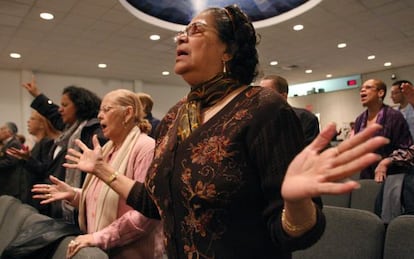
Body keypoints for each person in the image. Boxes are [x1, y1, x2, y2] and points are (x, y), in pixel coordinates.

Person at [61, 5, 388, 258]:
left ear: (228, 50)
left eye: (196, 30)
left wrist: (296, 203)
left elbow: (297, 234)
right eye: (182, 32)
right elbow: (156, 203)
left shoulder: (263, 107)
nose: (181, 37)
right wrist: (103, 170)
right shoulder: (177, 115)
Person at [32, 89, 164, 259]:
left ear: (128, 113)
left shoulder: (145, 147)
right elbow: (103, 199)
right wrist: (74, 195)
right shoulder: (108, 149)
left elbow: (145, 214)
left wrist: (99, 238)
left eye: (107, 110)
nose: (100, 115)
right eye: (100, 110)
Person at [22, 80, 107, 223]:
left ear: (80, 106)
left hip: (82, 207)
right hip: (61, 203)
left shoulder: (94, 131)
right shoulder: (71, 129)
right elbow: (53, 113)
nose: (60, 109)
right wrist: (37, 95)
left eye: (65, 105)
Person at [354, 78, 412, 179]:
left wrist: (385, 163)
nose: (362, 91)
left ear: (380, 93)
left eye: (368, 87)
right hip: (367, 176)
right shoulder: (359, 119)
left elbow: (407, 150)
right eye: (361, 89)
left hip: (392, 176)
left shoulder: (393, 116)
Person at [7, 110, 61, 209]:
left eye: (32, 119)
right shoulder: (39, 143)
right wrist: (24, 158)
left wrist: (28, 158)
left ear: (41, 124)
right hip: (32, 195)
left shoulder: (47, 142)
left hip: (40, 198)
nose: (28, 122)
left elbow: (44, 170)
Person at [260, 74, 320, 146]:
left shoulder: (305, 117)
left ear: (283, 96)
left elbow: (310, 149)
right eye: (260, 93)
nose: (261, 97)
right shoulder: (257, 121)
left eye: (267, 93)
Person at [0, 122, 23, 199]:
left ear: (9, 132)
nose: (0, 131)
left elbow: (11, 162)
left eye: (2, 129)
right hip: (6, 182)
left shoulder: (14, 143)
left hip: (10, 183)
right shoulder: (8, 144)